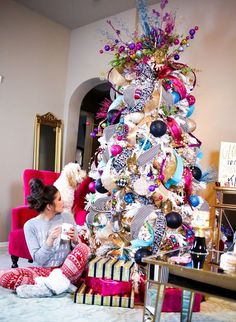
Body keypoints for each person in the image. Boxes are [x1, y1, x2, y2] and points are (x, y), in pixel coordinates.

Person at [0, 178, 90, 298]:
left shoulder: (67, 217)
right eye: (59, 199)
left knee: (83, 248)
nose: (63, 202)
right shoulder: (30, 226)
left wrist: (75, 240)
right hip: (43, 272)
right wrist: (50, 241)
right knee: (3, 276)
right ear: (49, 206)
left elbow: (77, 251)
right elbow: (39, 259)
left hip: (66, 269)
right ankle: (61, 286)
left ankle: (46, 288)